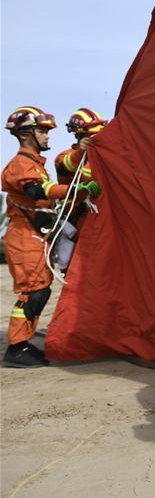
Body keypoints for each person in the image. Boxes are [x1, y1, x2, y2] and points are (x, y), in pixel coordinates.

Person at [2, 107, 87, 367]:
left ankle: (23, 342)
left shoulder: (35, 164)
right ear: (26, 135)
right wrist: (74, 190)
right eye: (42, 131)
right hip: (23, 236)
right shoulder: (21, 164)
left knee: (40, 289)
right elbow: (37, 190)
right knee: (33, 292)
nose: (48, 136)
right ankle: (17, 348)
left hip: (33, 234)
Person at [53, 108, 106, 274]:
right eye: (91, 136)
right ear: (79, 136)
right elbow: (67, 166)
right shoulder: (66, 156)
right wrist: (82, 151)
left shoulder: (106, 157)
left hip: (101, 225)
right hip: (76, 224)